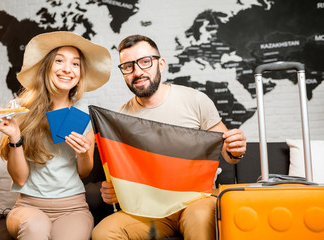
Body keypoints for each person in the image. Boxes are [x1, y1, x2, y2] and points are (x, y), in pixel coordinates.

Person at [91, 35, 247, 240]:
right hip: (149, 211)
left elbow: (229, 153)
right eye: (128, 66)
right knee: (103, 232)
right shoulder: (121, 119)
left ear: (161, 64)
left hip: (196, 202)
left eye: (145, 62)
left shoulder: (195, 100)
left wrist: (235, 149)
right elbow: (124, 174)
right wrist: (112, 191)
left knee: (200, 218)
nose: (137, 72)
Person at [0, 31, 111, 240]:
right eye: (59, 61)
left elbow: (84, 172)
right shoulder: (20, 110)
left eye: (75, 64)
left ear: (80, 72)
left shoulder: (84, 116)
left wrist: (83, 153)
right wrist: (15, 137)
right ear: (47, 67)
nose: (67, 69)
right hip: (29, 206)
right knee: (35, 228)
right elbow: (19, 178)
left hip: (73, 207)